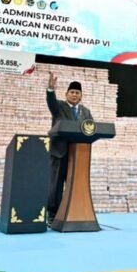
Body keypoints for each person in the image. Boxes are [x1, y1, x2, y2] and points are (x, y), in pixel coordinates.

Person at [46, 72, 93, 222]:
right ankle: (53, 215)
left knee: (74, 185)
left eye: (77, 92)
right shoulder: (59, 106)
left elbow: (91, 129)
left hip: (78, 154)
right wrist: (50, 90)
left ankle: (73, 214)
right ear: (66, 94)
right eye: (72, 92)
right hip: (60, 152)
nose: (74, 94)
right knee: (56, 185)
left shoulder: (86, 112)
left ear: (81, 96)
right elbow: (51, 102)